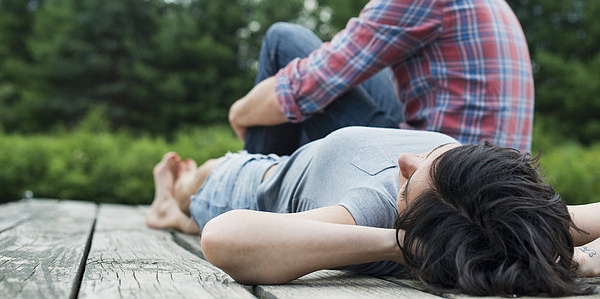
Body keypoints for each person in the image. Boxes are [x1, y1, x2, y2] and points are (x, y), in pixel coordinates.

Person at [228, 0, 535, 156]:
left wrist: (240, 112)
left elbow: (308, 83)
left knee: (284, 40)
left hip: (437, 184)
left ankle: (251, 200)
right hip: (495, 187)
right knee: (365, 72)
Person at [145, 126, 599, 296]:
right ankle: (174, 211)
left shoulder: (375, 214)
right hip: (293, 161)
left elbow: (225, 238)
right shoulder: (490, 196)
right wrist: (554, 241)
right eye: (438, 154)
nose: (408, 161)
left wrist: (402, 245)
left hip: (249, 182)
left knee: (200, 178)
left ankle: (171, 203)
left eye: (405, 187)